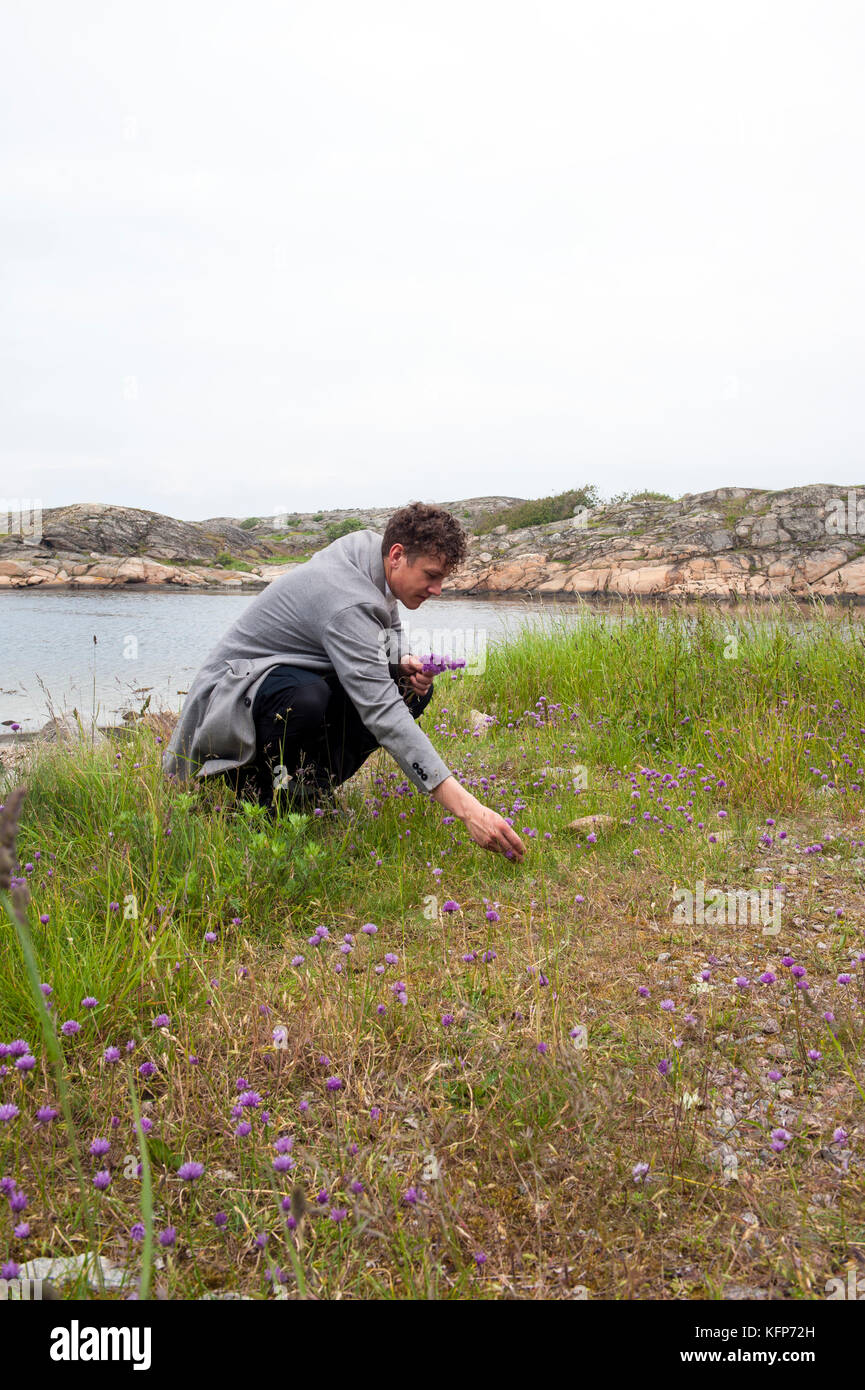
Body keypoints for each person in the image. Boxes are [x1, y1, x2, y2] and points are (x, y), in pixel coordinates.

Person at [162, 502, 525, 861]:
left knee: (409, 692)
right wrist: (469, 810)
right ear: (397, 555)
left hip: (278, 680)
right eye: (431, 576)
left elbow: (386, 621)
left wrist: (401, 661)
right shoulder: (346, 599)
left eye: (442, 579)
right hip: (227, 704)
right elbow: (383, 714)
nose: (438, 589)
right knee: (307, 699)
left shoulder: (373, 553)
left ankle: (308, 789)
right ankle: (255, 794)